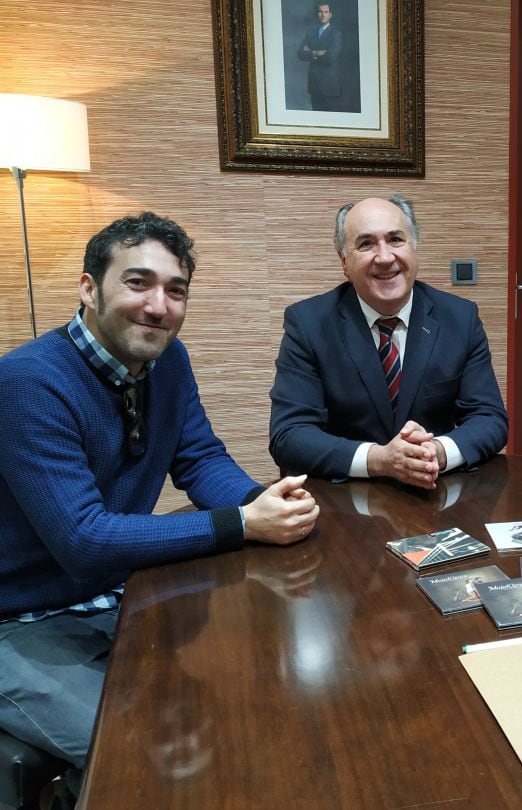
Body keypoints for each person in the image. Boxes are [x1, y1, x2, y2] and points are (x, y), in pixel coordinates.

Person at [0, 212, 320, 802]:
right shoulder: (25, 382)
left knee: (241, 706)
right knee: (142, 753)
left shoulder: (168, 362)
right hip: (19, 620)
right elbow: (85, 540)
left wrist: (264, 500)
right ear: (89, 288)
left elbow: (199, 459)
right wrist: (243, 524)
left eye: (176, 290)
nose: (158, 306)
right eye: (138, 282)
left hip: (116, 594)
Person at [269, 195, 508, 489]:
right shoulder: (308, 323)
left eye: (396, 239)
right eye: (366, 244)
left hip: (435, 493)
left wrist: (438, 452)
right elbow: (289, 435)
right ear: (344, 261)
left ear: (414, 248)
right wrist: (380, 459)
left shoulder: (460, 318)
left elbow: (490, 418)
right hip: (345, 500)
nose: (384, 257)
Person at [297, 2, 344, 111]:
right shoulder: (311, 33)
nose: (323, 15)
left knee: (332, 121)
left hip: (330, 86)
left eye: (326, 12)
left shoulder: (336, 34)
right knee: (317, 120)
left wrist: (310, 52)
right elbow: (300, 54)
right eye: (320, 12)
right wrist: (316, 53)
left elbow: (331, 57)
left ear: (330, 15)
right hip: (314, 85)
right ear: (317, 14)